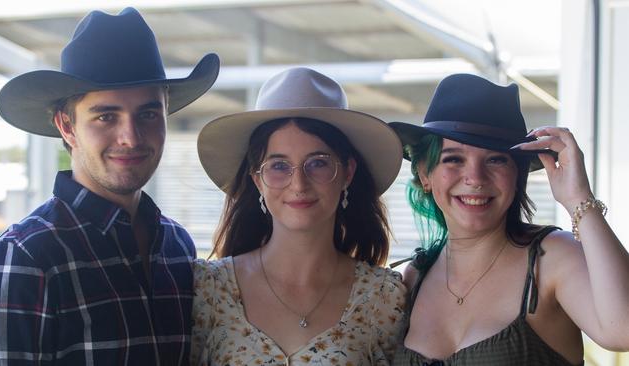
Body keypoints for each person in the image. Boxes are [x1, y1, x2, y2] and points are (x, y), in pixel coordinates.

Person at [0, 8, 219, 365]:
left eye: (148, 114)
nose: (130, 137)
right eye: (106, 116)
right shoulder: (27, 256)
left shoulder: (177, 246)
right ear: (67, 126)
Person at [388, 73, 629, 365]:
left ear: (518, 174)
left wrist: (578, 198)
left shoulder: (551, 259)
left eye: (495, 159)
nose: (475, 178)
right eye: (453, 159)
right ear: (425, 174)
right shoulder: (410, 280)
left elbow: (623, 331)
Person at [191, 67, 407, 365]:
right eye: (279, 166)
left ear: (348, 172)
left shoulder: (384, 297)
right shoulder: (208, 290)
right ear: (257, 180)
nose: (299, 184)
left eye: (317, 163)